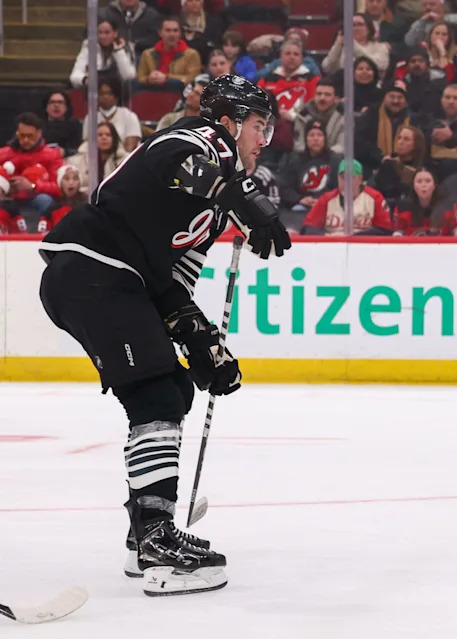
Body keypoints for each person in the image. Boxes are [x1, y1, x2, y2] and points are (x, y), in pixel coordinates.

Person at [37, 74, 290, 597]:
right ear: (229, 122)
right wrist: (243, 197)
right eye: (259, 127)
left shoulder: (215, 208)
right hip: (94, 269)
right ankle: (156, 540)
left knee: (172, 390)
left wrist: (199, 338)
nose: (263, 140)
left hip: (115, 281)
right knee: (154, 394)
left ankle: (145, 534)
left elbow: (174, 285)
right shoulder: (199, 138)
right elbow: (169, 159)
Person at [0, 112, 65, 227]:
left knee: (44, 200)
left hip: (38, 199)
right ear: (17, 133)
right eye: (22, 135)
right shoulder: (3, 154)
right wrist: (5, 187)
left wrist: (33, 186)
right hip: (9, 199)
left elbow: (60, 187)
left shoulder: (52, 155)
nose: (25, 140)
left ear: (39, 133)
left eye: (30, 136)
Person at [301, 159, 393, 235]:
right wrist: (328, 237)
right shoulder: (326, 199)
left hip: (365, 248)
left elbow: (384, 230)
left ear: (360, 179)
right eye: (343, 177)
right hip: (332, 247)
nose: (346, 182)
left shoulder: (375, 198)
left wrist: (354, 238)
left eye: (351, 177)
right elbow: (308, 228)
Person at [135, 16, 203, 92]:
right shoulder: (147, 54)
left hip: (179, 94)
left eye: (175, 31)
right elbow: (139, 78)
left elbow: (192, 79)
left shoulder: (192, 54)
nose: (172, 34)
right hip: (152, 93)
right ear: (160, 33)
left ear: (180, 33)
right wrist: (149, 79)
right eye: (168, 30)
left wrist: (166, 78)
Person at [392, 168, 457, 236]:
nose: (423, 185)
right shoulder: (402, 208)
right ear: (413, 186)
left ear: (434, 185)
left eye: (428, 181)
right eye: (419, 181)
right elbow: (398, 232)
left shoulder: (449, 207)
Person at [70, 16, 137, 89]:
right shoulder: (89, 46)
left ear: (115, 33)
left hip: (117, 89)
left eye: (107, 32)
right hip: (95, 87)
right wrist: (85, 80)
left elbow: (129, 77)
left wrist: (119, 52)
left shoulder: (126, 47)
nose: (103, 36)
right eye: (100, 32)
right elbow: (74, 75)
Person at [67, 122, 129, 195]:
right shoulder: (76, 161)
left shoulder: (125, 160)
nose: (104, 138)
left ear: (114, 139)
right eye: (100, 135)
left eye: (108, 135)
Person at [85, 76, 142, 152]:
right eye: (101, 93)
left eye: (109, 93)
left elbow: (130, 148)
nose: (105, 96)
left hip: (123, 157)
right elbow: (87, 145)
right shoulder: (90, 118)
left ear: (117, 95)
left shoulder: (129, 116)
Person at [39, 164, 87, 234]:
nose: (71, 183)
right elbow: (42, 235)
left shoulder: (89, 206)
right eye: (66, 179)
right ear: (60, 183)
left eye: (75, 179)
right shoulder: (52, 210)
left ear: (80, 183)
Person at [41, 91, 84, 159]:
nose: (56, 105)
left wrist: (65, 152)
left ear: (66, 107)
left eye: (60, 102)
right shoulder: (38, 125)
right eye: (52, 102)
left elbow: (78, 149)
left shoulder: (74, 125)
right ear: (46, 107)